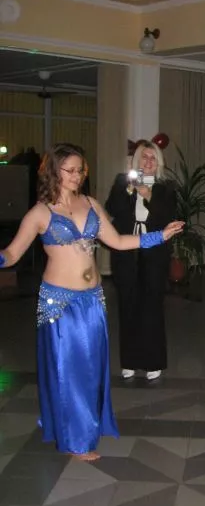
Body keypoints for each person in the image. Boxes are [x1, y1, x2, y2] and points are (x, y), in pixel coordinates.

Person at [0, 143, 183, 461]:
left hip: (93, 299)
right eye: (69, 170)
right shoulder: (41, 212)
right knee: (68, 371)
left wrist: (160, 236)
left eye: (80, 170)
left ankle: (80, 427)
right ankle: (76, 440)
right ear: (54, 171)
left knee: (91, 369)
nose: (77, 176)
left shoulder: (90, 204)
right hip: (60, 302)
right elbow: (12, 254)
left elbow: (119, 241)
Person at [105, 140, 177, 380]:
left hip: (154, 253)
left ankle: (153, 361)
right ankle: (130, 361)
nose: (148, 162)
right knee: (128, 306)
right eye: (144, 157)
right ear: (136, 160)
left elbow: (168, 216)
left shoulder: (166, 187)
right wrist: (130, 187)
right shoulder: (122, 181)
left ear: (159, 162)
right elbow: (112, 208)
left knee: (152, 307)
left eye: (152, 157)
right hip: (126, 252)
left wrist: (148, 196)